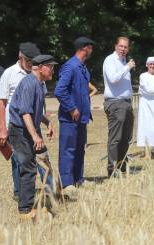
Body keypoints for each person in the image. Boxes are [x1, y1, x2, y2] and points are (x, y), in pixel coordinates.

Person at [0, 42, 53, 201]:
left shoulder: (37, 76)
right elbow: (2, 104)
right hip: (15, 126)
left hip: (33, 126)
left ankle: (52, 190)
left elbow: (38, 104)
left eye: (33, 61)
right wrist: (2, 129)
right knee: (19, 162)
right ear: (20, 57)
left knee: (43, 158)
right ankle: (19, 194)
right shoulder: (9, 74)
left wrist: (46, 121)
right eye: (28, 60)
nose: (30, 64)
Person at [8, 54, 56, 221]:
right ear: (40, 67)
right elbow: (25, 113)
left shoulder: (38, 83)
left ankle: (51, 194)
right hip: (20, 132)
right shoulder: (29, 84)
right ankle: (25, 210)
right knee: (28, 169)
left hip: (29, 130)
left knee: (44, 162)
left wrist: (46, 121)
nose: (52, 70)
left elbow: (34, 111)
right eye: (50, 66)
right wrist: (35, 136)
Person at [54, 36, 94, 197]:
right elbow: (59, 91)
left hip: (82, 117)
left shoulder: (82, 67)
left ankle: (78, 178)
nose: (92, 50)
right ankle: (67, 183)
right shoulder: (70, 67)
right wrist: (71, 108)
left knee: (79, 149)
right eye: (91, 47)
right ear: (84, 48)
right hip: (70, 118)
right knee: (68, 149)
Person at [103, 37, 135, 177]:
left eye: (126, 47)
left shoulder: (123, 62)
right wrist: (127, 67)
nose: (123, 49)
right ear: (115, 46)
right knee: (116, 138)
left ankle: (122, 166)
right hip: (115, 103)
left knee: (126, 137)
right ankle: (112, 169)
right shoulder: (110, 60)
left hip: (126, 103)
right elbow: (113, 79)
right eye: (121, 46)